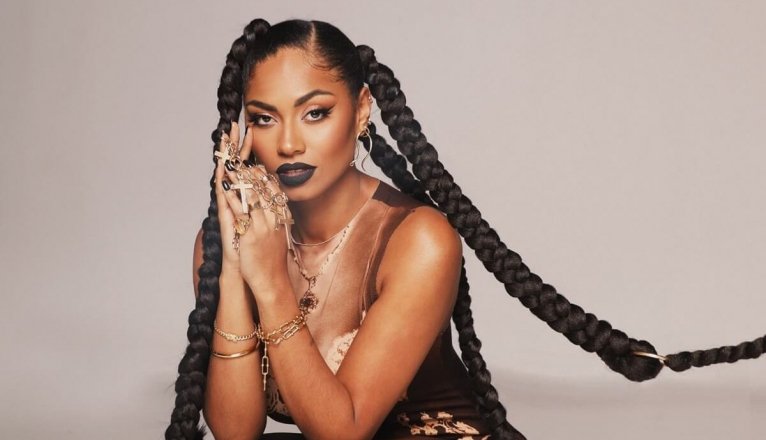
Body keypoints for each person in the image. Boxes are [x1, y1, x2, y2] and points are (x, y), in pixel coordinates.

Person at [167, 18, 764, 440]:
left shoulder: (418, 239)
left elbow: (341, 431)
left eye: (316, 112)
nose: (289, 143)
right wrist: (238, 263)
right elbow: (236, 432)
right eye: (265, 119)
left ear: (362, 109)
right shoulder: (229, 244)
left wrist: (271, 286)